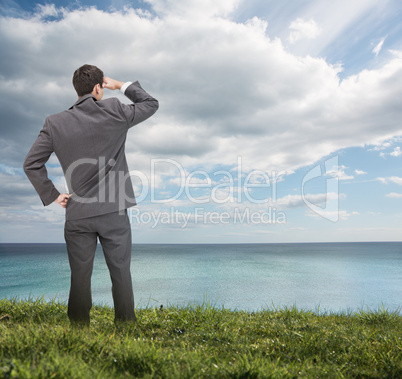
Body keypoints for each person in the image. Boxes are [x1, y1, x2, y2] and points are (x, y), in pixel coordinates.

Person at [23, 64, 159, 325]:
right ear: (98, 87)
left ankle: (78, 329)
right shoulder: (116, 110)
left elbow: (31, 163)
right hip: (113, 211)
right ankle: (126, 326)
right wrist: (119, 86)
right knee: (120, 271)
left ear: (77, 90)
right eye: (103, 87)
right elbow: (150, 103)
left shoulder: (55, 122)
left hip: (78, 213)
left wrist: (52, 195)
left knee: (80, 275)